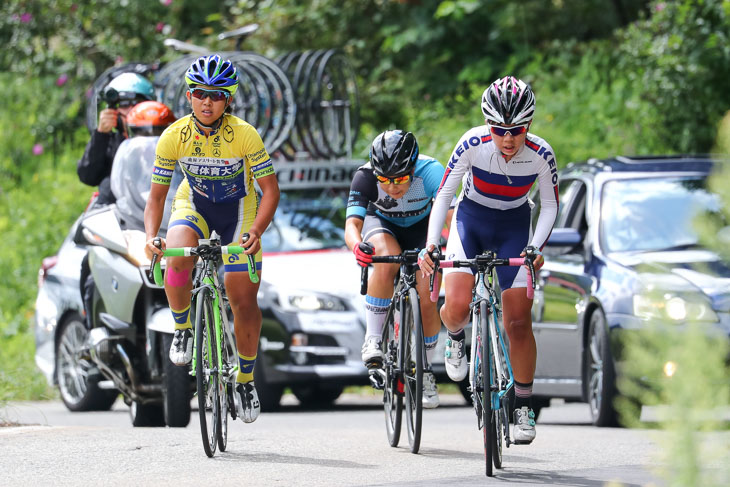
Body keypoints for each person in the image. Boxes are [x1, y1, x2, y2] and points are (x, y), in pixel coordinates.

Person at [418, 76, 558, 443]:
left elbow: (550, 206)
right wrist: (433, 244)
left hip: (514, 226)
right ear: (487, 125)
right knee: (458, 306)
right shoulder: (472, 144)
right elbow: (445, 194)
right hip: (472, 221)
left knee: (517, 321)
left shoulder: (541, 154)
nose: (508, 139)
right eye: (499, 130)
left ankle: (524, 405)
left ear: (529, 125)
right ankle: (454, 337)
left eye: (517, 130)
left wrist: (536, 247)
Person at [144, 54, 280, 424]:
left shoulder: (244, 134)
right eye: (201, 93)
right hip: (196, 204)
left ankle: (247, 380)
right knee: (177, 256)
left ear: (228, 100)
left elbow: (270, 190)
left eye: (217, 95)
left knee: (242, 299)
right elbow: (157, 197)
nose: (208, 101)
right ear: (189, 96)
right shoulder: (174, 136)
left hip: (240, 210)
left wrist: (257, 231)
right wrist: (151, 237)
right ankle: (183, 328)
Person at [345, 130, 445, 409]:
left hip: (423, 229)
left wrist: (442, 247)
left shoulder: (431, 171)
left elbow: (451, 215)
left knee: (428, 295)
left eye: (400, 178)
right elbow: (352, 226)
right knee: (387, 257)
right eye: (385, 180)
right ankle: (373, 339)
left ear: (412, 168)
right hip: (382, 225)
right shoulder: (364, 176)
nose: (392, 186)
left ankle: (424, 369)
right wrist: (357, 248)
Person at [77, 72, 155, 206]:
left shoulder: (160, 140)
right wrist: (101, 134)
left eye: (136, 104)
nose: (131, 110)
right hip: (113, 216)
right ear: (113, 110)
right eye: (124, 105)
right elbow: (88, 176)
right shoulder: (109, 141)